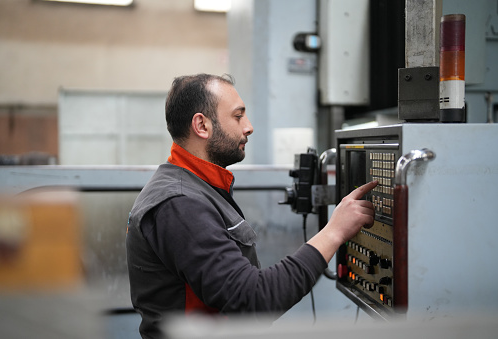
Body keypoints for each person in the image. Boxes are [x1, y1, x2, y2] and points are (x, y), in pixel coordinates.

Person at [126, 73, 377, 338]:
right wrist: (334, 231)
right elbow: (253, 299)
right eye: (237, 116)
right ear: (202, 125)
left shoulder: (199, 187)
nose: (248, 127)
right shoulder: (179, 203)